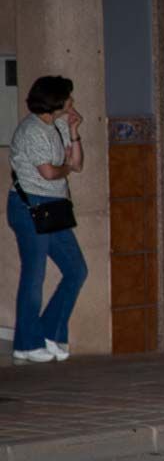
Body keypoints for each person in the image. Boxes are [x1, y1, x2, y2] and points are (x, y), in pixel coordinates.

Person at [7, 76, 87, 363]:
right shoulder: (32, 130)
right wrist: (64, 166)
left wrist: (74, 131)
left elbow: (76, 164)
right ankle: (26, 343)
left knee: (76, 270)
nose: (72, 102)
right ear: (56, 101)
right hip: (30, 206)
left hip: (54, 207)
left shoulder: (58, 125)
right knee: (35, 274)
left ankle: (51, 332)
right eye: (69, 97)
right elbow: (49, 173)